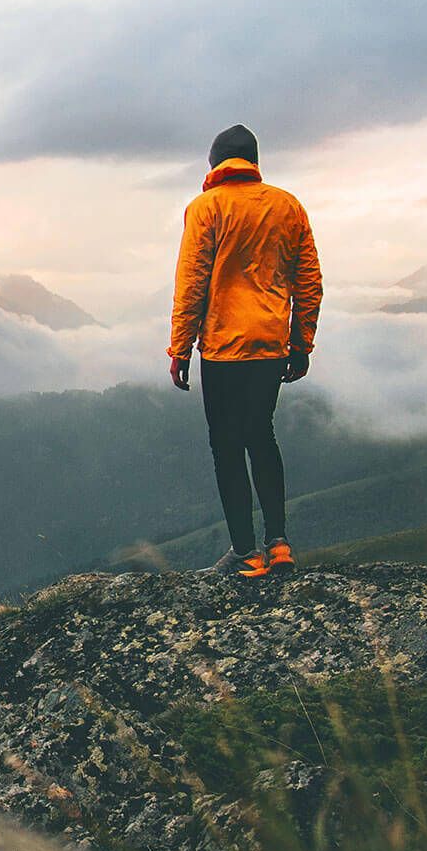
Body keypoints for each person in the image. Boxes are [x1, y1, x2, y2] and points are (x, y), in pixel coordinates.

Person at [168, 124, 322, 577]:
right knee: (262, 436)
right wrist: (301, 342)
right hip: (270, 345)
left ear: (216, 163)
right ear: (253, 161)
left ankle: (245, 551)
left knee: (226, 446)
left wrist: (180, 348)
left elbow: (192, 282)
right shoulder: (287, 205)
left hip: (221, 349)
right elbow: (309, 281)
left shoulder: (205, 208)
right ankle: (279, 546)